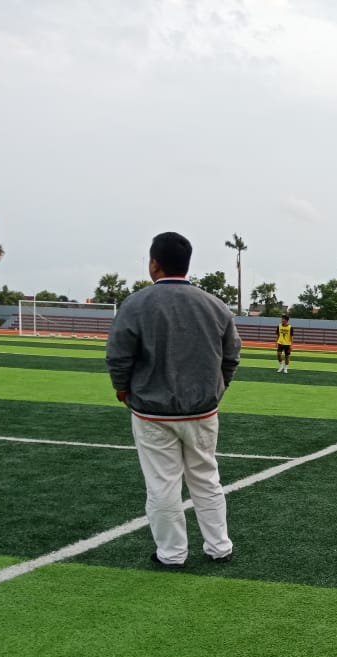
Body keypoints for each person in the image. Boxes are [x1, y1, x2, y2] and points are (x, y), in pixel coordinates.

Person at [106, 232, 241, 568]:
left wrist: (123, 389)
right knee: (206, 478)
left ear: (154, 263)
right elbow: (231, 356)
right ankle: (219, 547)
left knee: (162, 485)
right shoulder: (215, 305)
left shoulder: (135, 304)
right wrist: (217, 388)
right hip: (202, 410)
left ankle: (172, 553)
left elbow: (118, 356)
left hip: (152, 412)